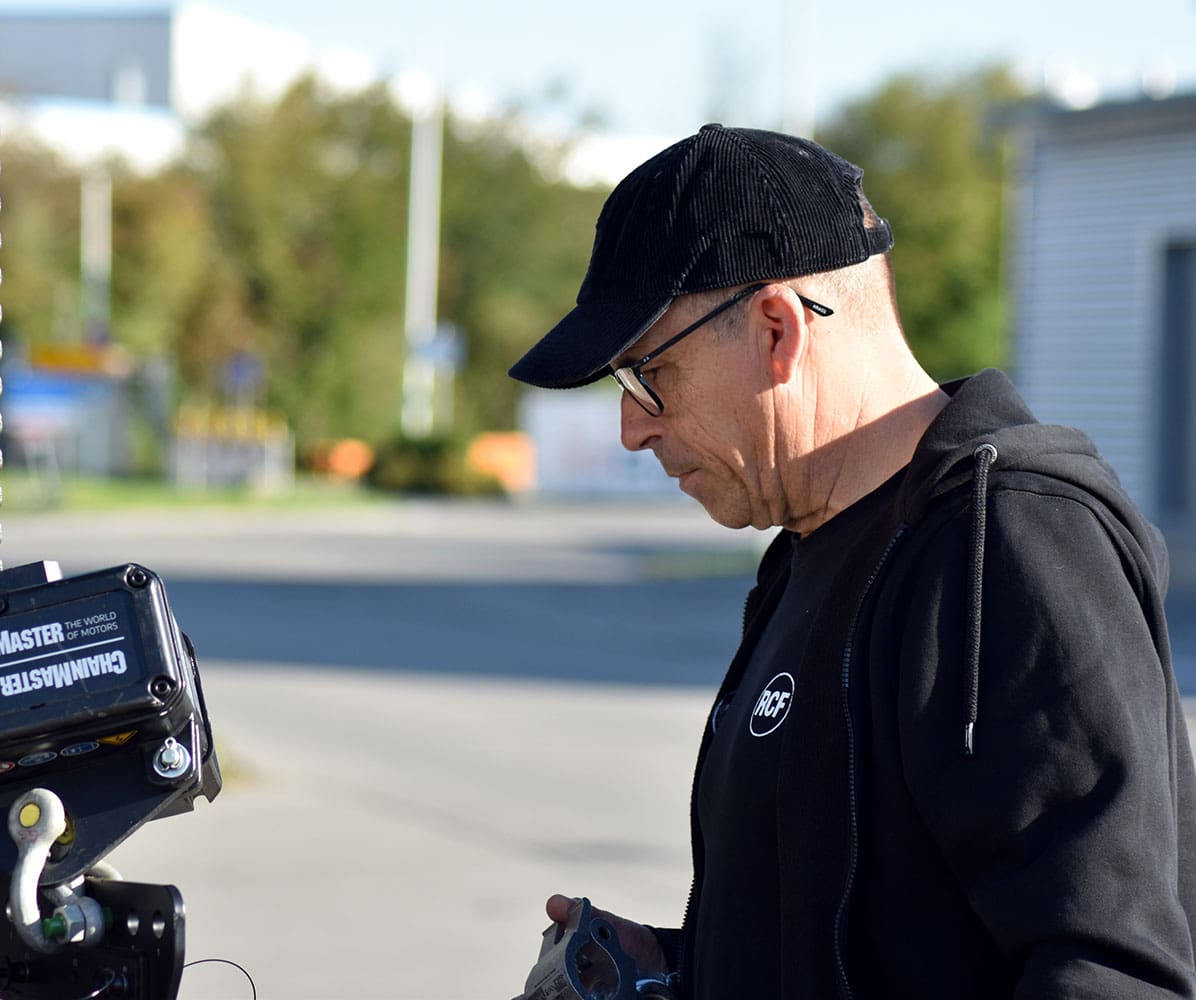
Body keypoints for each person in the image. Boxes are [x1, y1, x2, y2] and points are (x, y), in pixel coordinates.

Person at [507, 123, 1196, 999]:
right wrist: (679, 968)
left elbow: (1109, 968)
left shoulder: (1011, 540)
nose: (632, 428)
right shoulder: (812, 554)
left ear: (776, 330)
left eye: (647, 376)